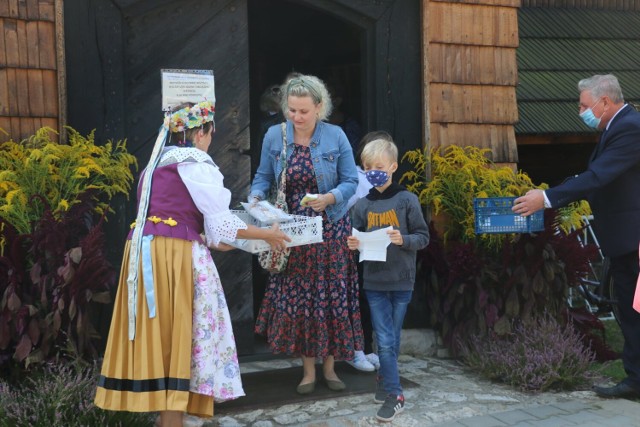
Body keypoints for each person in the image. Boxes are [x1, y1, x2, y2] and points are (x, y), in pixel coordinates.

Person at [94, 100, 290, 427]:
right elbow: (223, 227)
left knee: (163, 336)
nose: (210, 140)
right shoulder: (197, 162)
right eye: (211, 133)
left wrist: (243, 241)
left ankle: (168, 419)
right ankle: (172, 420)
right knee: (182, 334)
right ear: (201, 132)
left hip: (145, 255)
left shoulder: (154, 165)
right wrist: (268, 234)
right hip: (175, 255)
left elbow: (212, 233)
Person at [512, 74, 640, 399]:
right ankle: (635, 378)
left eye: (584, 105)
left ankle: (636, 381)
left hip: (634, 239)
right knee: (628, 309)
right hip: (624, 238)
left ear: (605, 102)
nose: (579, 110)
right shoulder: (616, 127)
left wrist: (546, 198)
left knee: (635, 310)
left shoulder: (629, 128)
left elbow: (598, 176)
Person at [250, 74, 365, 395]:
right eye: (291, 110)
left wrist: (330, 198)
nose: (296, 117)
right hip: (292, 231)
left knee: (330, 299)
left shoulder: (337, 136)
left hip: (330, 227)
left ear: (319, 107)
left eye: (303, 111)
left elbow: (350, 181)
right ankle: (308, 371)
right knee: (301, 301)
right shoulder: (274, 136)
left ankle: (330, 368)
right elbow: (261, 176)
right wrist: (257, 199)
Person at [347, 137, 429, 422]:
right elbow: (355, 236)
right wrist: (353, 244)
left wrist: (402, 238)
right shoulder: (362, 205)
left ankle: (384, 383)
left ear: (393, 166)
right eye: (368, 167)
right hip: (374, 282)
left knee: (390, 339)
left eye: (379, 166)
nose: (373, 171)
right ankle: (396, 394)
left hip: (402, 280)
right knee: (384, 339)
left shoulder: (407, 200)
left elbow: (423, 237)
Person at [345, 130, 395, 373]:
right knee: (357, 299)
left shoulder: (387, 181)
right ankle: (355, 349)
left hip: (377, 248)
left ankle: (368, 348)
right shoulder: (356, 178)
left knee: (374, 298)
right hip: (356, 247)